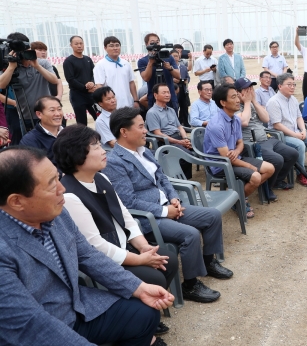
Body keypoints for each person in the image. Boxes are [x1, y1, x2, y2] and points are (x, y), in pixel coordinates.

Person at [0, 146, 173, 346]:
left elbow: (87, 255)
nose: (62, 188)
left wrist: (139, 288)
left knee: (145, 314)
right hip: (39, 328)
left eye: (58, 177)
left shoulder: (57, 212)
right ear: (17, 201)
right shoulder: (4, 246)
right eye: (51, 185)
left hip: (77, 306)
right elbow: (29, 324)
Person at [55, 125, 177, 338]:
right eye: (95, 146)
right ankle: (141, 323)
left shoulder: (101, 178)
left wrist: (143, 246)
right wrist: (140, 260)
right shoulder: (70, 195)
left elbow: (125, 216)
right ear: (76, 154)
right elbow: (95, 246)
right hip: (106, 260)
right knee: (152, 276)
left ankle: (147, 313)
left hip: (125, 247)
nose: (103, 150)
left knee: (169, 258)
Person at [103, 107, 233, 303]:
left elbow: (163, 179)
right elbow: (128, 202)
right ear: (124, 131)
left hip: (168, 207)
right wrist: (165, 211)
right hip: (147, 218)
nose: (145, 130)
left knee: (212, 216)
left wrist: (174, 199)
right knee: (190, 234)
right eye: (140, 127)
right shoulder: (115, 162)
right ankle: (190, 284)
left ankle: (208, 262)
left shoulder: (144, 151)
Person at [204, 84, 275, 217]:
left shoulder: (235, 119)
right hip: (220, 165)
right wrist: (249, 166)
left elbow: (240, 143)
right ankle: (238, 201)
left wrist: (237, 151)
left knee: (269, 168)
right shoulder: (216, 125)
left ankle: (238, 197)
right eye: (233, 97)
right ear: (223, 102)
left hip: (235, 158)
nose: (238, 100)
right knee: (255, 176)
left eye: (237, 96)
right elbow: (225, 157)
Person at [235, 77, 298, 192]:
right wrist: (248, 102)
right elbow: (244, 122)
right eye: (246, 89)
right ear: (238, 93)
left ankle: (276, 181)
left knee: (292, 153)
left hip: (265, 139)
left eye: (251, 88)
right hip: (252, 143)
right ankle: (266, 188)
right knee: (277, 159)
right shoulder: (235, 106)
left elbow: (266, 118)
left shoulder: (252, 103)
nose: (250, 91)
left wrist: (253, 101)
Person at [266, 73, 307, 187]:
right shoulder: (273, 102)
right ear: (279, 86)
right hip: (280, 135)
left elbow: (299, 117)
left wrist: (303, 130)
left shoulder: (293, 99)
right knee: (300, 145)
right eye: (289, 84)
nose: (293, 87)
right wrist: (295, 135)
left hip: (295, 132)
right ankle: (301, 174)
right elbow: (277, 125)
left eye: (294, 84)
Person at [0, 32, 60, 140]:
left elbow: (54, 80)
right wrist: (11, 67)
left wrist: (37, 66)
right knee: (32, 149)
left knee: (54, 144)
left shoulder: (42, 63)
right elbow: (2, 85)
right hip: (26, 116)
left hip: (47, 113)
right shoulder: (10, 66)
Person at [146, 84, 193, 179]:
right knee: (187, 154)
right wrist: (180, 142)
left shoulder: (171, 110)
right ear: (155, 95)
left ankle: (187, 180)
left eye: (168, 92)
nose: (167, 95)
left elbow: (180, 127)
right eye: (164, 93)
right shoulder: (152, 113)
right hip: (165, 142)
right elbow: (158, 134)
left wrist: (185, 139)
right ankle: (182, 181)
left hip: (179, 139)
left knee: (199, 147)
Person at [94, 36, 139, 110]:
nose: (115, 48)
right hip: (112, 106)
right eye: (111, 46)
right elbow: (99, 86)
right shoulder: (100, 65)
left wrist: (136, 100)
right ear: (105, 48)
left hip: (128, 104)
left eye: (117, 45)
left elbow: (131, 82)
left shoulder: (126, 63)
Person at [138, 33, 180, 111]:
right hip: (154, 99)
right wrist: (150, 62)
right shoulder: (142, 61)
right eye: (152, 42)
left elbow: (178, 76)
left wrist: (170, 68)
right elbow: (146, 78)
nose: (155, 44)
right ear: (146, 44)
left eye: (157, 42)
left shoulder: (169, 57)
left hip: (170, 98)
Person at [63, 36, 98, 125]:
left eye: (81, 43)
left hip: (91, 94)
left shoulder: (88, 59)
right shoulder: (68, 61)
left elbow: (94, 74)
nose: (79, 46)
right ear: (71, 45)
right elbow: (70, 79)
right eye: (76, 44)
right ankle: (83, 139)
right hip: (77, 95)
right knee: (82, 122)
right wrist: (85, 88)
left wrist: (92, 82)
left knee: (99, 117)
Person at [19, 96, 63, 165]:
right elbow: (33, 167)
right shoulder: (30, 140)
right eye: (52, 110)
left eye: (59, 109)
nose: (58, 114)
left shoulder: (71, 133)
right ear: (39, 114)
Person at [30, 42, 64, 113]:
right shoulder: (29, 68)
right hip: (39, 102)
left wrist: (59, 96)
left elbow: (59, 82)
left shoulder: (51, 67)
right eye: (40, 50)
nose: (43, 52)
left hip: (53, 99)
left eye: (45, 50)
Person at [170, 50, 190, 126]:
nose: (175, 58)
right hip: (174, 89)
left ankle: (185, 123)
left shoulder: (183, 67)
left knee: (184, 106)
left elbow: (188, 77)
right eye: (173, 56)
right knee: (174, 106)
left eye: (176, 56)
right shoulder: (168, 67)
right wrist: (172, 80)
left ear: (179, 57)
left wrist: (187, 80)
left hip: (183, 89)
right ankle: (175, 124)